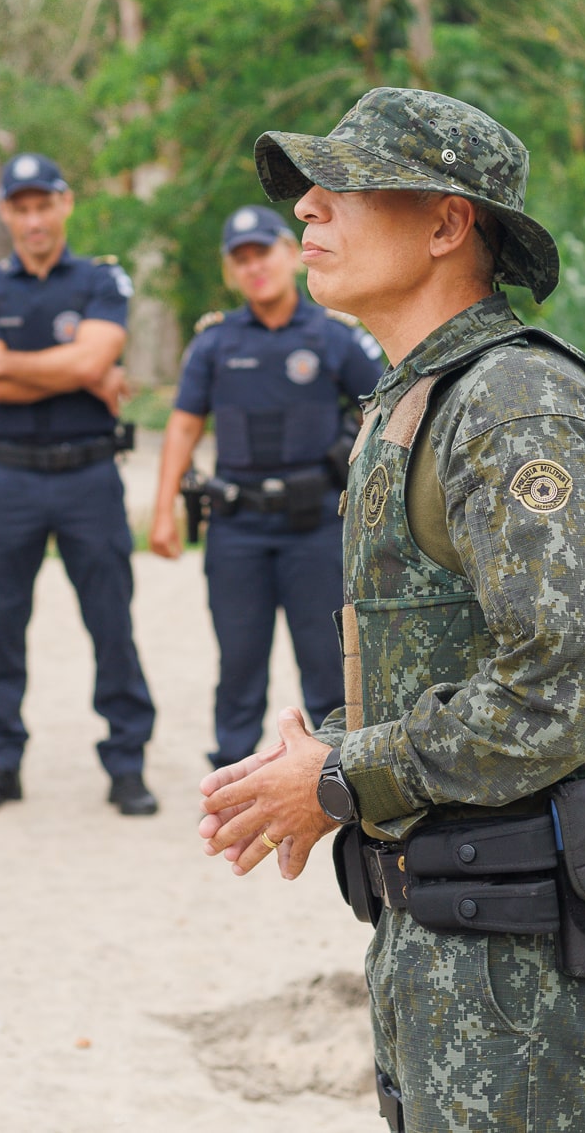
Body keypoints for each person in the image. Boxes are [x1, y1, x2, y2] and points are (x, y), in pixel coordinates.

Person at [195, 89, 585, 1132]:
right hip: (452, 932)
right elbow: (464, 658)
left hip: (523, 961)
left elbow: (565, 689)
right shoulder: (422, 396)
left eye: (345, 187)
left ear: (449, 223)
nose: (307, 212)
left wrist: (337, 777)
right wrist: (328, 751)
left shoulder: (512, 406)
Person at [0, 153, 158, 817]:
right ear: (6, 212)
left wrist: (13, 365)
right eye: (21, 206)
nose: (34, 218)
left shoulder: (102, 279)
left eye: (45, 204)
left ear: (65, 204)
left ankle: (126, 763)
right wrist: (77, 372)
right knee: (0, 626)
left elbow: (92, 356)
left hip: (88, 475)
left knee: (110, 622)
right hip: (8, 475)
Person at [150, 205, 383, 769]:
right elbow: (184, 424)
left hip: (315, 529)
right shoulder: (215, 343)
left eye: (263, 252)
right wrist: (162, 512)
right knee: (239, 662)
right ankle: (231, 773)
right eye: (241, 259)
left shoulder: (335, 337)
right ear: (232, 271)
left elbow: (387, 406)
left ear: (289, 252)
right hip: (237, 530)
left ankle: (335, 774)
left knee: (329, 667)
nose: (255, 267)